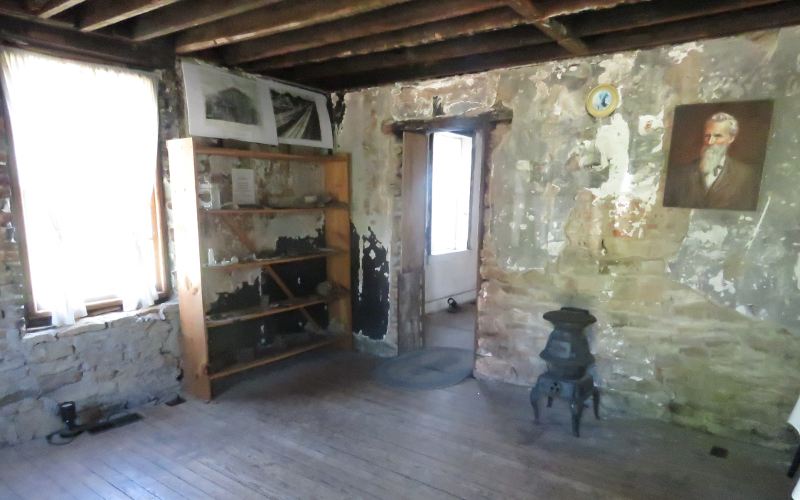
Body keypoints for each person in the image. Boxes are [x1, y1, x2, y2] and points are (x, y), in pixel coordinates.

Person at [663, 112, 761, 210]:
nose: (710, 142)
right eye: (707, 136)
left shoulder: (746, 175)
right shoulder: (679, 174)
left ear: (731, 138)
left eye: (717, 136)